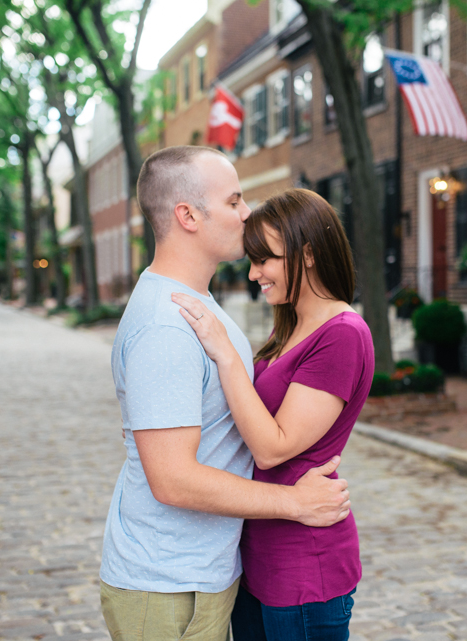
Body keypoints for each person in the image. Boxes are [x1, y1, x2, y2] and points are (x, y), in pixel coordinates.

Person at [100, 148, 352, 641]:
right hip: (169, 586)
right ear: (188, 215)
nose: (248, 213)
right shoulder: (166, 327)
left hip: (201, 577)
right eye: (235, 201)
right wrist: (293, 503)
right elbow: (172, 480)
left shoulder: (195, 303)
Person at [172, 188, 375, 641]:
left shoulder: (342, 333)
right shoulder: (291, 325)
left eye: (265, 259)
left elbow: (271, 448)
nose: (254, 272)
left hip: (303, 564)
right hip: (257, 557)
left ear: (306, 254)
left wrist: (224, 353)